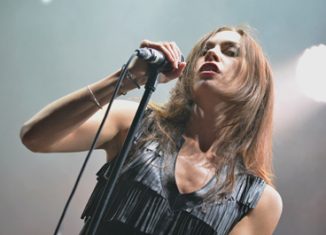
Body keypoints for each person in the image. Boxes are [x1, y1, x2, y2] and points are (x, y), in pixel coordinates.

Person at [20, 26, 282, 235]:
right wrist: (128, 77)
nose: (212, 54)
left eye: (230, 52)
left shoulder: (259, 202)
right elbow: (35, 136)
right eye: (205, 49)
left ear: (255, 80)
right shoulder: (132, 122)